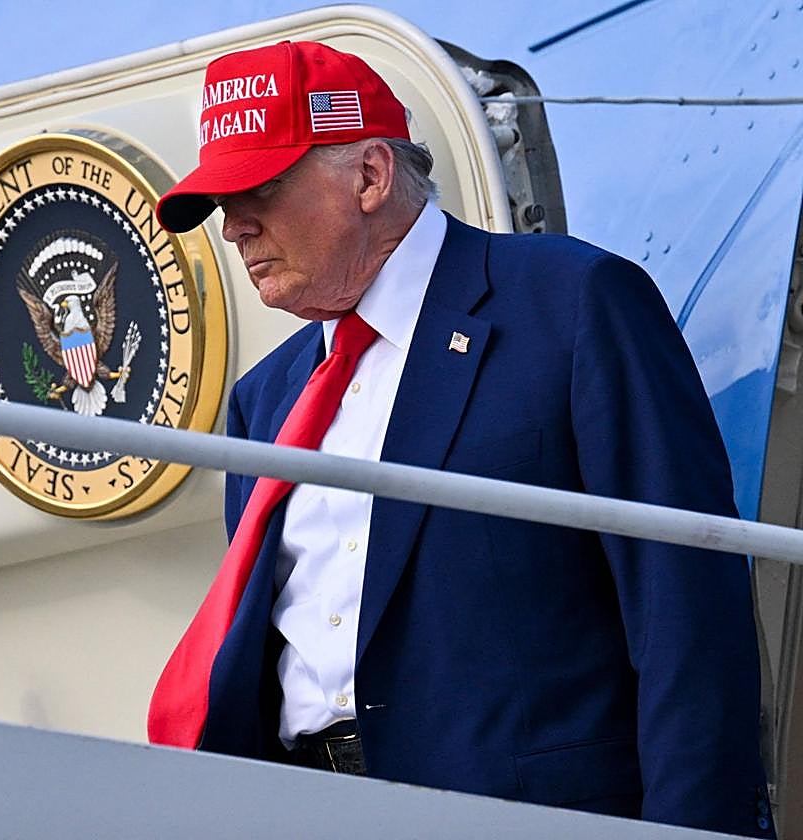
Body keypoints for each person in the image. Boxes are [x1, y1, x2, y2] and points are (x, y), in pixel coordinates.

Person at [146, 40, 774, 838]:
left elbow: (686, 606)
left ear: (370, 176)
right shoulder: (265, 399)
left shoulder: (573, 305)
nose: (234, 228)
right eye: (221, 204)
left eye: (259, 189)